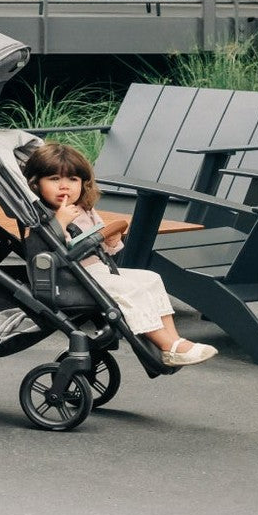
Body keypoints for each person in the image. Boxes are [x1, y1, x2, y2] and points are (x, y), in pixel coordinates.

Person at [22, 142, 217, 366]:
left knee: (151, 278)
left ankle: (173, 342)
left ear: (83, 183)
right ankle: (166, 344)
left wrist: (112, 241)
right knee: (130, 290)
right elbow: (39, 254)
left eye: (72, 180)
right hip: (71, 280)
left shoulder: (85, 210)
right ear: (36, 185)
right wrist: (60, 223)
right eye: (54, 179)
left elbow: (102, 248)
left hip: (96, 270)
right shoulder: (43, 218)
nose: (64, 187)